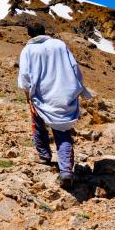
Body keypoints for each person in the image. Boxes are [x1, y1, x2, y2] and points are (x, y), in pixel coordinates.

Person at [17, 21, 92, 188]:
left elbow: (24, 76)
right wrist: (76, 87)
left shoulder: (28, 50)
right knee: (63, 131)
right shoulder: (59, 44)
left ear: (29, 34)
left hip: (40, 96)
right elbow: (74, 67)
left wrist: (27, 95)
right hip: (63, 94)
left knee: (38, 125)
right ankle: (66, 171)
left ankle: (44, 156)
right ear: (44, 31)